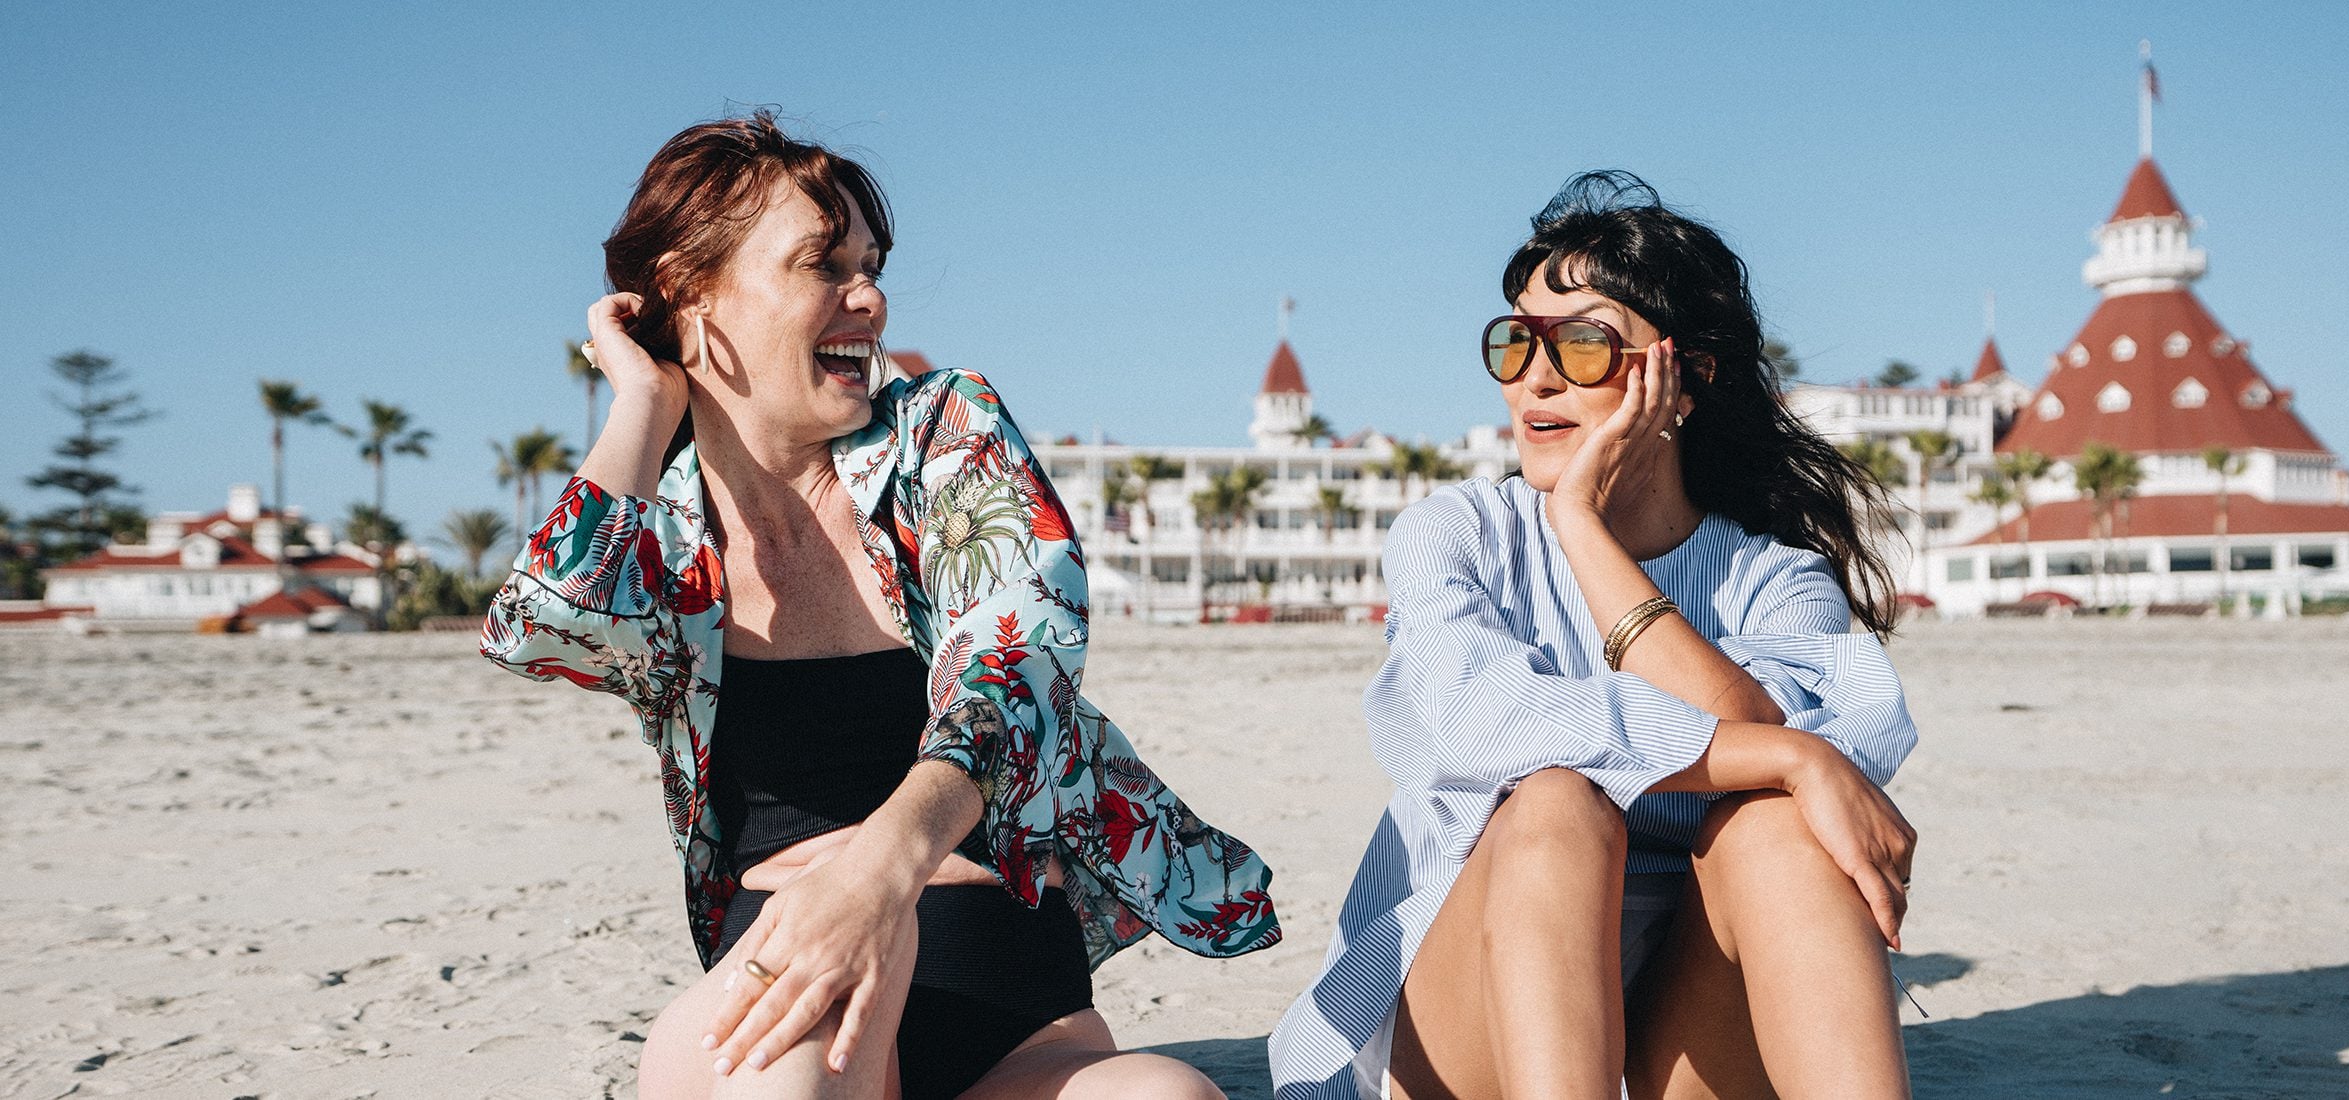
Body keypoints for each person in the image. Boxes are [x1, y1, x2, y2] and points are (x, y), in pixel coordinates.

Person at [480, 111, 1278, 1100]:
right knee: (794, 1074)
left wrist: (874, 880)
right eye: (826, 263)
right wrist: (640, 403)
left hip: (1016, 1013)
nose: (870, 296)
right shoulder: (668, 529)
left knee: (1166, 1097)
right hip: (785, 988)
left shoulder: (943, 433)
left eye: (872, 262)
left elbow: (1016, 673)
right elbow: (540, 631)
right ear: (691, 288)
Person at [1269, 171, 1921, 1100]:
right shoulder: (1457, 534)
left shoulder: (1774, 580)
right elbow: (1477, 725)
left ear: (1684, 381)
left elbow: (1785, 740)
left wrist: (1587, 533)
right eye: (1516, 343)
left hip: (1683, 1029)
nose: (1534, 378)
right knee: (1554, 804)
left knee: (1778, 823)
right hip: (1476, 1011)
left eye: (1581, 346)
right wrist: (1791, 758)